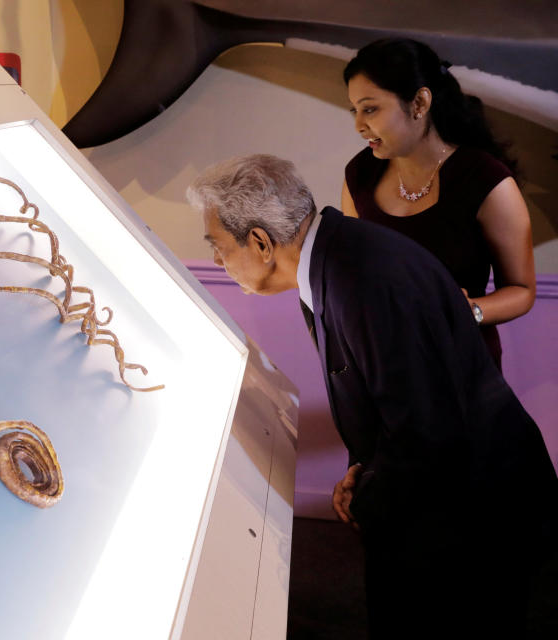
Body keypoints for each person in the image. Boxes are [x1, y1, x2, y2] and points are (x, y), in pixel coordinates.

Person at [187, 153, 558, 639]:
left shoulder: (360, 277)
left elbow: (426, 431)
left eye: (217, 246)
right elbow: (399, 398)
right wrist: (364, 468)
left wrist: (370, 496)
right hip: (453, 493)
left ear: (259, 241)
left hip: (473, 511)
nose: (217, 260)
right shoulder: (339, 254)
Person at [341, 38, 535, 369]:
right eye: (355, 110)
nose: (359, 125)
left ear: (419, 102)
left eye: (370, 109)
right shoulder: (359, 173)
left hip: (460, 369)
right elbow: (354, 272)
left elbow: (521, 290)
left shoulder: (486, 179)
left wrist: (471, 310)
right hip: (382, 366)